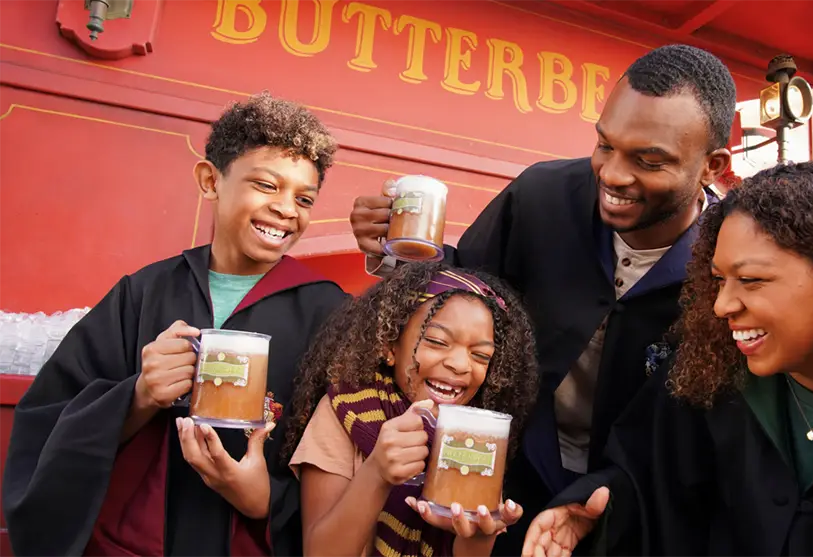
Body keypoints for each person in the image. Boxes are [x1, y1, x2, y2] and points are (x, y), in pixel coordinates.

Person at [349, 44, 736, 552]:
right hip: (508, 478)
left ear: (711, 166)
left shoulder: (730, 262)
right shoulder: (542, 196)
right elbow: (468, 287)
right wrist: (396, 250)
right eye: (605, 145)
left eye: (648, 160)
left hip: (641, 508)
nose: (612, 174)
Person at [523, 161, 813, 557]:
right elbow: (643, 478)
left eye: (751, 280)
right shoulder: (706, 381)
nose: (722, 305)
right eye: (719, 280)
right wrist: (590, 511)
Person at [2, 93, 347, 557]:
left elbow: (346, 458)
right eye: (267, 185)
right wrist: (139, 395)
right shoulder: (144, 293)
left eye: (304, 198)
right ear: (211, 180)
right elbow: (47, 419)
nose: (287, 209)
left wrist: (266, 499)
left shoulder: (329, 313)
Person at [283, 262, 539, 556]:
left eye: (481, 355)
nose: (460, 365)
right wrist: (376, 473)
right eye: (436, 342)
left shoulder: (479, 438)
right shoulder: (345, 410)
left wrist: (478, 536)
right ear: (390, 345)